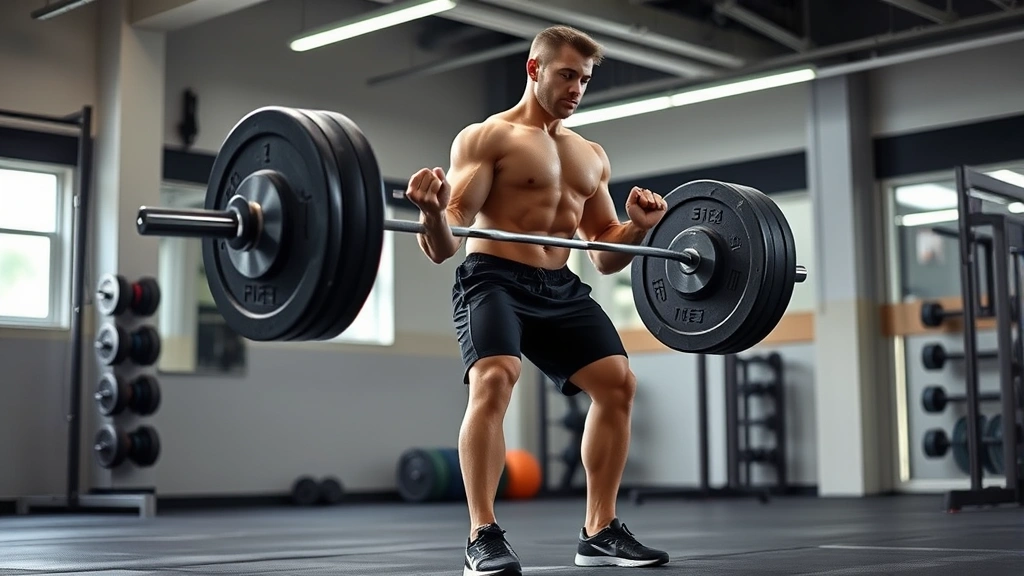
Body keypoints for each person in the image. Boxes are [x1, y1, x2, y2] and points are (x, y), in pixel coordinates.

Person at [405, 24, 671, 576]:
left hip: (561, 287)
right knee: (496, 377)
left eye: (585, 79)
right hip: (493, 278)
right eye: (568, 75)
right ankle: (482, 533)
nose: (577, 88)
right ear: (535, 69)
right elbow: (445, 241)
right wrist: (432, 212)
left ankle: (599, 530)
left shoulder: (590, 155)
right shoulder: (487, 137)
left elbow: (602, 253)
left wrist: (640, 229)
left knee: (618, 384)